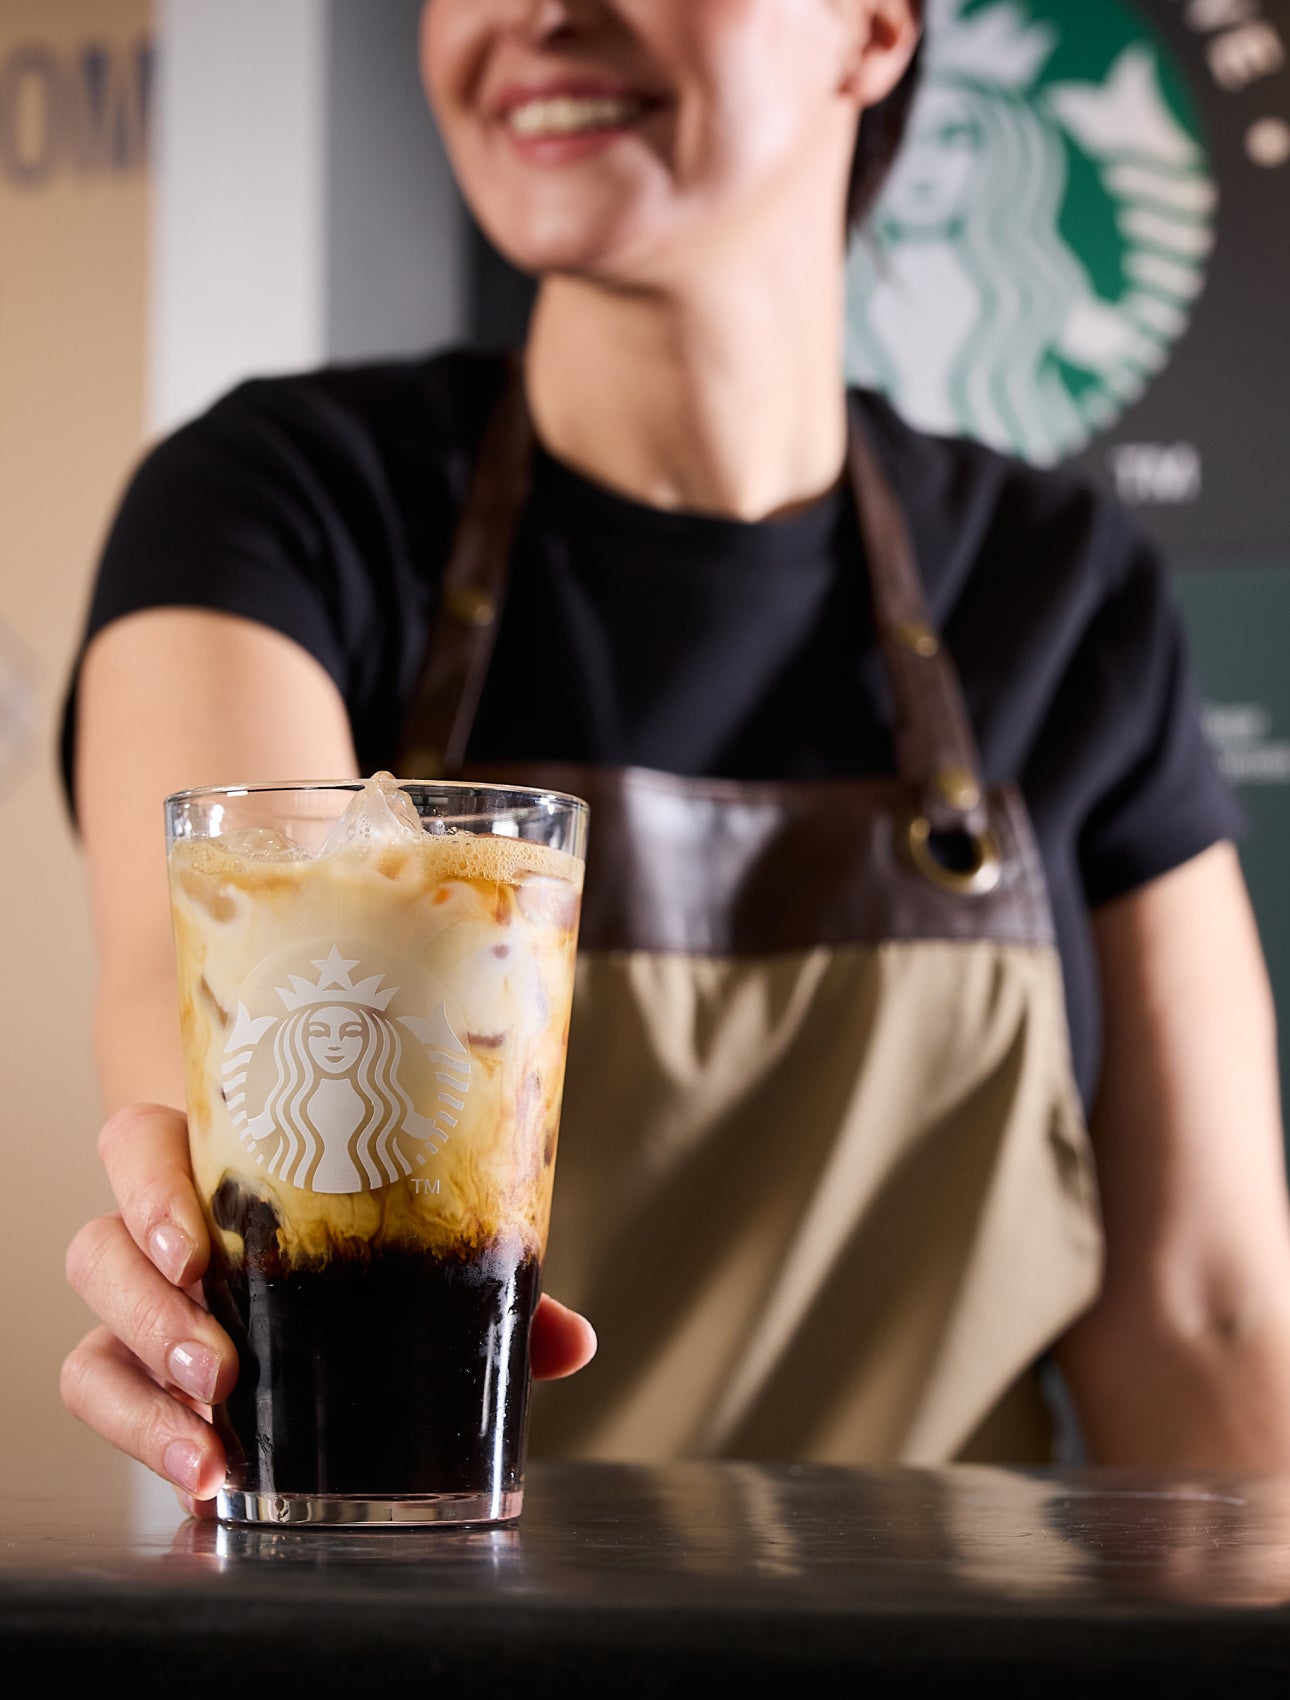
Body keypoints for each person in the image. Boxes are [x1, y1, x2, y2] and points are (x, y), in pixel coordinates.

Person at [60, 0, 1290, 1518]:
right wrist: (193, 1273)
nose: (538, 14)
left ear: (875, 31)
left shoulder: (1065, 585)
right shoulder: (270, 509)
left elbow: (1205, 1319)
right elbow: (230, 1126)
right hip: (409, 1620)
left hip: (949, 1644)